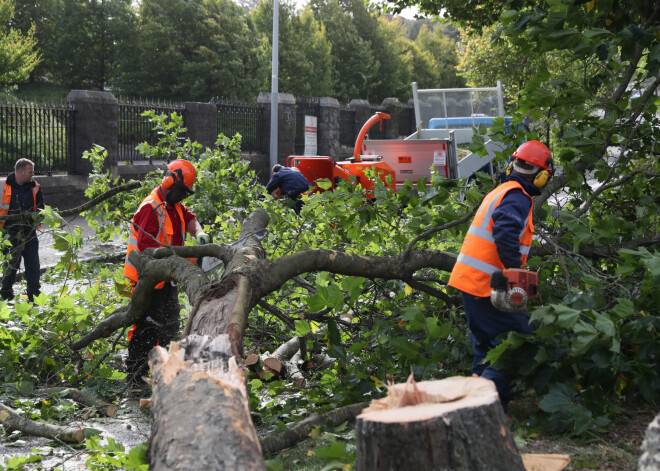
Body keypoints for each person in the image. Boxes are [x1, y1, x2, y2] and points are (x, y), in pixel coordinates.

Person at [447, 140, 553, 408]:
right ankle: (487, 410)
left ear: (512, 165)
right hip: (488, 285)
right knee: (515, 344)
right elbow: (505, 233)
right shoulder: (517, 196)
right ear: (541, 175)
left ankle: (472, 408)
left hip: (472, 282)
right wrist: (515, 273)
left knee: (486, 348)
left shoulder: (503, 190)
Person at [123, 159, 209, 387]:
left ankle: (163, 374)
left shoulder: (174, 205)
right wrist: (184, 259)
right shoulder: (151, 208)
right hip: (147, 280)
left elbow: (189, 218)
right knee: (146, 330)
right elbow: (146, 249)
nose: (182, 196)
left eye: (185, 193)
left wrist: (199, 233)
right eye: (180, 191)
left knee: (170, 325)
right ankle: (135, 378)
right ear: (169, 181)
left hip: (167, 279)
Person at [0, 159, 44, 302]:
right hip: (9, 232)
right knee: (11, 264)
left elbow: (41, 208)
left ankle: (34, 295)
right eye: (30, 172)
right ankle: (6, 293)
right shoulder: (2, 186)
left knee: (33, 264)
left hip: (29, 232)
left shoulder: (35, 187)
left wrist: (37, 216)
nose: (33, 174)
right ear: (21, 172)